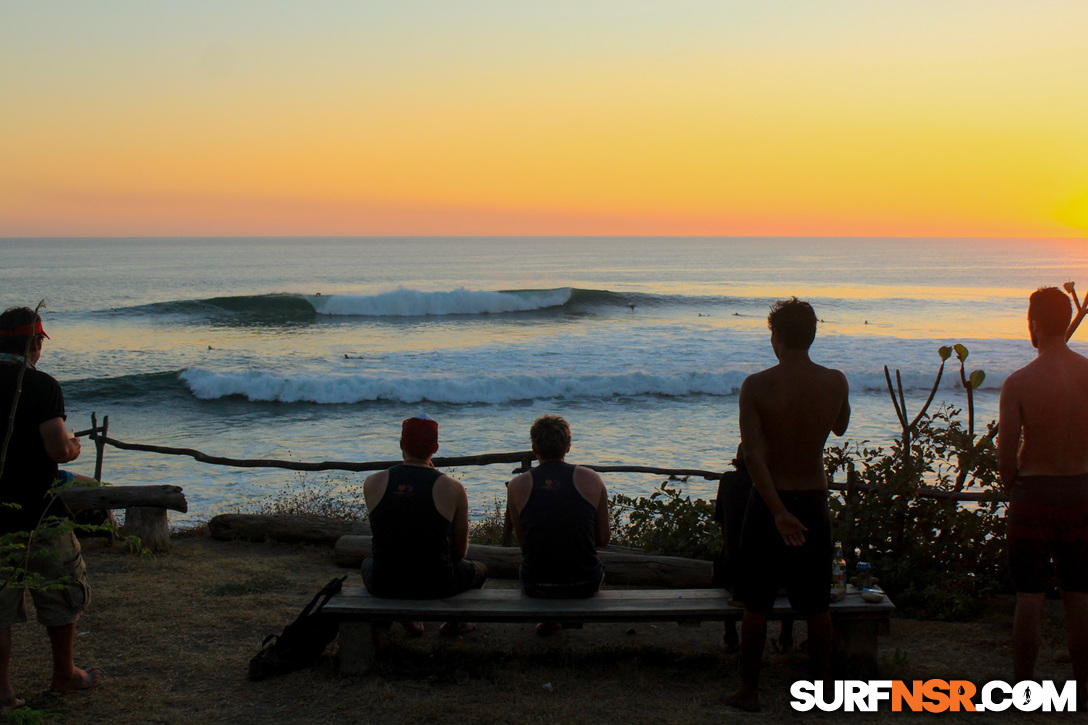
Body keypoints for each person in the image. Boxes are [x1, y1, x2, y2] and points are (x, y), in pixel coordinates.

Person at [723, 298, 850, 712]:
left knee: (757, 603)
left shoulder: (756, 385)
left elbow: (753, 457)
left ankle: (750, 691)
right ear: (812, 336)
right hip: (813, 499)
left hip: (768, 502)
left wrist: (777, 511)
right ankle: (823, 690)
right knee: (816, 603)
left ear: (776, 339)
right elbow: (840, 425)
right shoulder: (835, 381)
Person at [0, 307, 101, 708]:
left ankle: (3, 693)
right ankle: (65, 674)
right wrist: (74, 445)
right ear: (35, 344)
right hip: (40, 510)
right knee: (60, 589)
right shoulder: (40, 385)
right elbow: (57, 448)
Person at [998, 286, 1088, 705]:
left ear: (1032, 324)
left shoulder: (1018, 382)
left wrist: (1011, 482)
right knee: (1079, 595)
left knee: (1029, 596)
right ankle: (1083, 689)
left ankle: (1022, 687)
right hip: (1082, 490)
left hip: (1033, 492)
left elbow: (1005, 454)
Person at [361, 415, 486, 636]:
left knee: (367, 564)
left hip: (385, 582)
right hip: (437, 582)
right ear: (436, 448)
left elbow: (387, 537)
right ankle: (456, 623)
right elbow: (459, 552)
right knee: (480, 570)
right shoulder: (452, 487)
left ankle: (405, 619)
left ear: (401, 444)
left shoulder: (373, 482)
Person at [506, 415, 609, 636]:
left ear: (534, 448)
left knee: (531, 564)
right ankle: (561, 618)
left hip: (537, 585)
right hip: (584, 583)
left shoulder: (517, 485)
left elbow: (525, 544)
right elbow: (603, 539)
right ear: (568, 447)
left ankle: (552, 619)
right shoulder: (592, 479)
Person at [712, 445, 793, 654]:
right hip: (773, 573)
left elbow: (724, 526)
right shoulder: (776, 483)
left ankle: (730, 635)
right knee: (788, 555)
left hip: (735, 574)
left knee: (726, 556)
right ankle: (786, 636)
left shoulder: (728, 481)